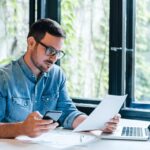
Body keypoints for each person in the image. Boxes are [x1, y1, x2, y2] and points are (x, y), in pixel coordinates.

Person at [0, 18, 120, 138]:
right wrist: (21, 129)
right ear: (31, 43)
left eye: (57, 53)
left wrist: (98, 124)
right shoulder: (4, 78)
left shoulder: (57, 75)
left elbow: (68, 113)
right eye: (50, 50)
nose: (54, 58)